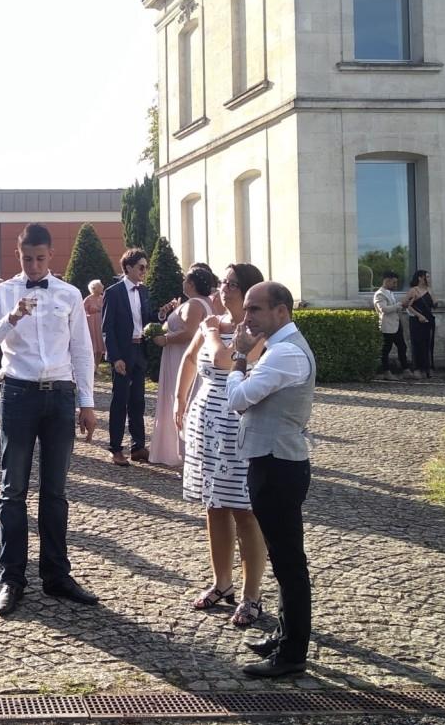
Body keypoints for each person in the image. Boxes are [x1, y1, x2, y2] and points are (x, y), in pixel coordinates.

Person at [0, 223, 99, 617]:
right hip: (19, 393)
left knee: (56, 491)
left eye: (40, 259)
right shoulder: (3, 293)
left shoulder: (68, 294)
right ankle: (12, 579)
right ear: (18, 254)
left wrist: (87, 402)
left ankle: (57, 574)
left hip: (60, 394)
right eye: (27, 259)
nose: (33, 266)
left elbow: (82, 349)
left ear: (51, 256)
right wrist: (10, 319)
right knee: (12, 490)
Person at [226, 281, 317, 678]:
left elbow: (239, 399)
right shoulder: (280, 348)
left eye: (255, 309)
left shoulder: (285, 353)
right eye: (247, 309)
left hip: (279, 466)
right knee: (283, 560)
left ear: (282, 311)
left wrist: (238, 359)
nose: (247, 318)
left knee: (289, 562)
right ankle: (284, 636)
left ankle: (293, 653)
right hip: (270, 461)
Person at [175, 263, 269, 630]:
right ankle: (221, 582)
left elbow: (224, 361)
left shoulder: (256, 331)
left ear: (247, 291)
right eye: (223, 283)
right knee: (213, 506)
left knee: (245, 511)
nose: (223, 288)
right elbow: (188, 360)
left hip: (239, 427)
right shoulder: (213, 323)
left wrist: (213, 334)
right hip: (207, 426)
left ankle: (252, 595)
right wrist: (178, 401)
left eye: (230, 284)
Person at [150, 267, 216, 467]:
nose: (183, 282)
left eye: (186, 279)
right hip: (182, 355)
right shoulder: (205, 302)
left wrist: (166, 339)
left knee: (181, 398)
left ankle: (186, 452)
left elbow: (190, 332)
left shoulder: (195, 304)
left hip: (181, 356)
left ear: (192, 284)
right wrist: (166, 316)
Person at [101, 248, 159, 465]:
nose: (144, 271)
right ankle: (115, 448)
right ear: (128, 268)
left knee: (138, 401)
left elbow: (147, 319)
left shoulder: (144, 291)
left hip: (139, 350)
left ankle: (138, 446)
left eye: (146, 267)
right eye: (141, 267)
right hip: (123, 353)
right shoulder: (113, 292)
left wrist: (162, 314)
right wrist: (115, 358)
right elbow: (107, 328)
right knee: (119, 401)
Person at [373, 272, 410, 381]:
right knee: (386, 349)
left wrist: (402, 306)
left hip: (396, 325)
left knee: (402, 347)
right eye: (394, 282)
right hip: (387, 326)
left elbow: (393, 308)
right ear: (387, 281)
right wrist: (399, 305)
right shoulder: (380, 294)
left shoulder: (390, 293)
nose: (395, 285)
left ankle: (406, 369)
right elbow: (383, 309)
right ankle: (386, 372)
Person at [404, 269, 435, 379]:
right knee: (417, 344)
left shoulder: (429, 290)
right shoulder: (414, 290)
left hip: (429, 319)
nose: (428, 279)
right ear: (420, 278)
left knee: (428, 344)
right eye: (427, 276)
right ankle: (417, 368)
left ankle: (427, 367)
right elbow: (407, 305)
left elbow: (433, 304)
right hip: (417, 320)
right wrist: (419, 315)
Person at [83, 279, 106, 365]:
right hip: (91, 325)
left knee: (100, 347)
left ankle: (96, 367)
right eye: (100, 286)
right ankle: (90, 366)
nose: (102, 287)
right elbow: (82, 311)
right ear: (95, 288)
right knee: (92, 346)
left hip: (100, 324)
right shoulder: (88, 299)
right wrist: (88, 315)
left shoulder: (103, 298)